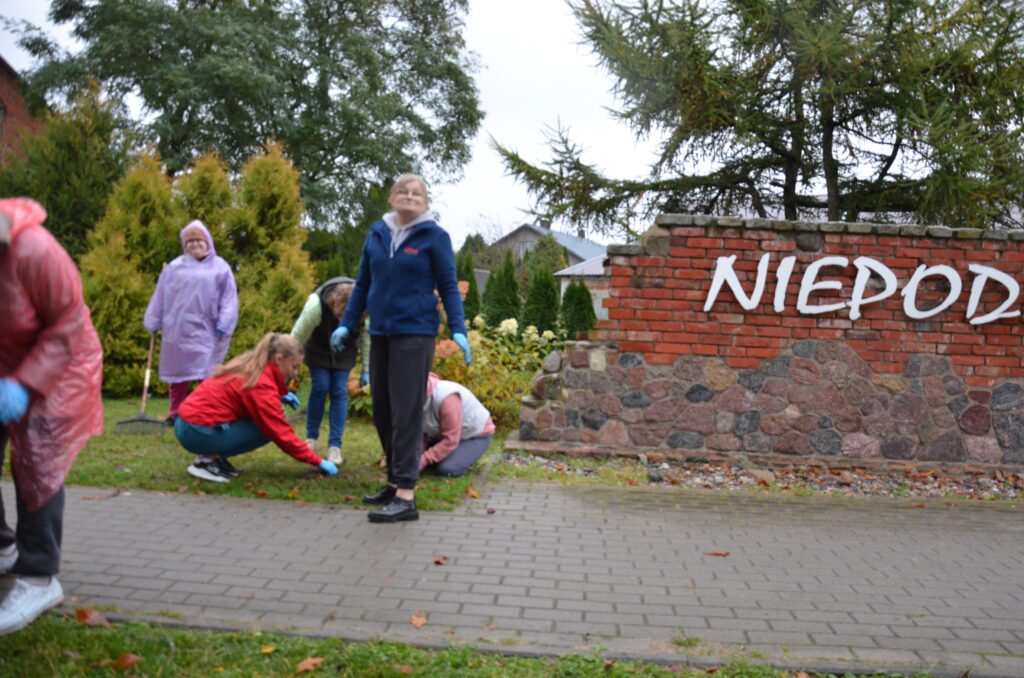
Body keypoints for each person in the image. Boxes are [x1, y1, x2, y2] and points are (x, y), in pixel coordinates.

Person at [331, 173, 471, 523]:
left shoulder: (435, 237)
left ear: (425, 201)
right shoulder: (377, 234)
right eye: (403, 191)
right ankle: (394, 481)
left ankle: (406, 495)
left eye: (417, 193)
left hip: (415, 333)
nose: (410, 196)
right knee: (383, 409)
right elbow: (363, 284)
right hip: (380, 331)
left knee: (406, 412)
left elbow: (449, 286)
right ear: (392, 197)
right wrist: (348, 322)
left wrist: (458, 328)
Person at [0, 198, 104, 634]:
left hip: (63, 364)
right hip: (6, 363)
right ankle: (4, 547)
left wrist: (24, 384)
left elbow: (66, 323)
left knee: (37, 465)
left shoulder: (35, 250)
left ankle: (40, 575)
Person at [173, 332, 338, 483]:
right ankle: (206, 461)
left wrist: (280, 395)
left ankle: (212, 458)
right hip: (196, 431)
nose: (295, 372)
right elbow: (280, 431)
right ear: (279, 359)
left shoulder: (254, 364)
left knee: (268, 423)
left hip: (188, 424)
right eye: (294, 366)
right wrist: (317, 460)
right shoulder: (261, 382)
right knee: (267, 428)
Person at [144, 219, 238, 424]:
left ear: (208, 242)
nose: (195, 244)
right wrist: (153, 318)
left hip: (208, 332)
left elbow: (229, 299)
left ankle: (206, 412)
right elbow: (160, 295)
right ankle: (175, 413)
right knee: (178, 376)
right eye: (190, 241)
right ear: (185, 245)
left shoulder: (220, 268)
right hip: (177, 331)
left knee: (206, 375)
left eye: (199, 240)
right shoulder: (174, 268)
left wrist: (225, 322)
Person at [290, 277, 370, 464]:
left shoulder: (363, 306)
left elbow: (367, 338)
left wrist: (367, 369)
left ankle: (335, 447)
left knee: (339, 391)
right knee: (320, 386)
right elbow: (296, 336)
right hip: (317, 348)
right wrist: (288, 364)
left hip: (345, 351)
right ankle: (311, 439)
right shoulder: (316, 305)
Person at [420, 373, 495, 477]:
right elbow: (420, 433)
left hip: (474, 436)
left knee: (447, 468)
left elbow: (451, 440)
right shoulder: (412, 398)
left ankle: (463, 457)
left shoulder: (446, 399)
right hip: (441, 435)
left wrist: (423, 460)